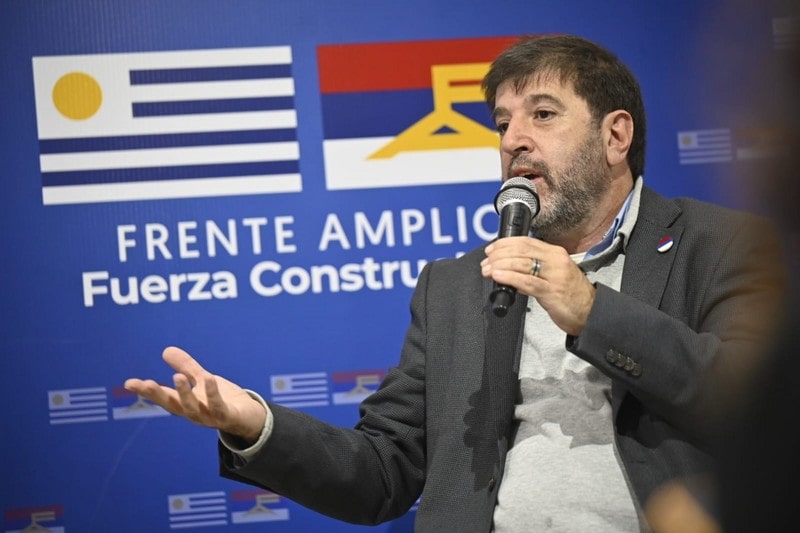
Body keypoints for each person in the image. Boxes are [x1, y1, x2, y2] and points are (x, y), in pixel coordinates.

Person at [125, 35, 786, 532]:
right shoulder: (456, 286)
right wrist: (254, 423)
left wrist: (590, 310)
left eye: (544, 115)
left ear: (616, 135)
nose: (514, 140)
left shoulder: (725, 245)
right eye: (503, 123)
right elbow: (383, 473)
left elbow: (750, 405)